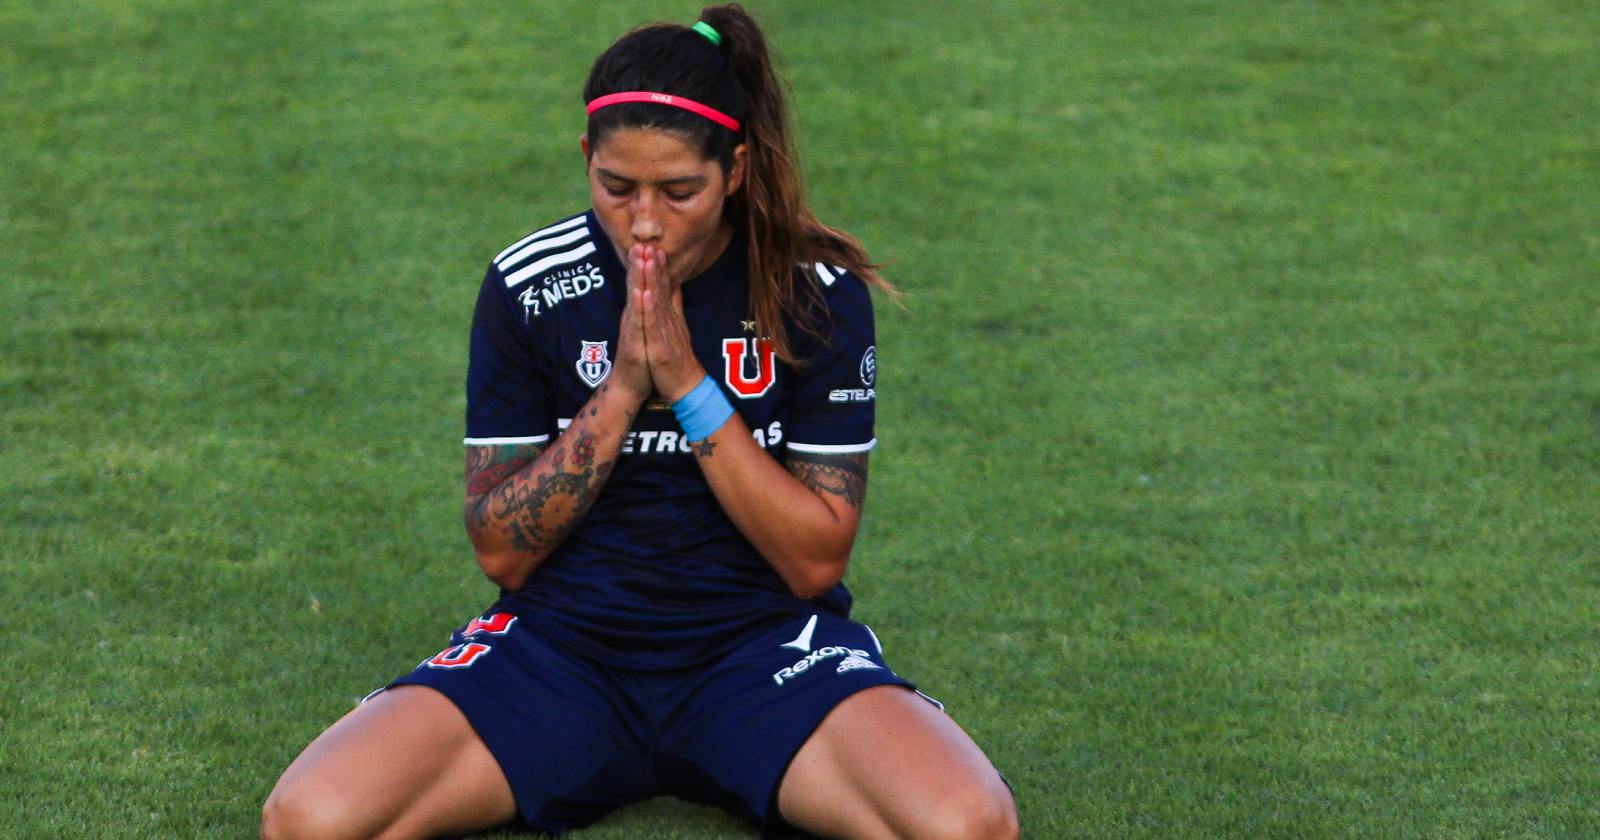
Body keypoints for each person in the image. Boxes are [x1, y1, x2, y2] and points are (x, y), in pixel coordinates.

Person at [261, 6, 1018, 839]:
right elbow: (501, 551)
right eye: (617, 188)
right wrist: (621, 393)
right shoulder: (528, 288)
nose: (646, 223)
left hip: (762, 653)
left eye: (678, 191)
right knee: (310, 819)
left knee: (966, 824)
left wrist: (691, 386)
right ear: (587, 159)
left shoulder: (816, 296)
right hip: (560, 654)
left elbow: (813, 560)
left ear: (735, 169)